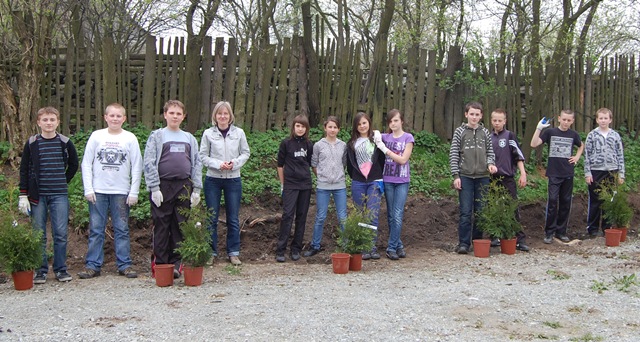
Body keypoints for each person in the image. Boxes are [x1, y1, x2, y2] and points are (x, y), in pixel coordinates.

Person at [77, 103, 142, 279]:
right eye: (111, 116)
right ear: (105, 117)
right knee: (96, 229)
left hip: (121, 192)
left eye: (118, 116)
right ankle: (93, 265)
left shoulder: (130, 138)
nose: (115, 119)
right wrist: (88, 189)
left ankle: (124, 264)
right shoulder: (97, 136)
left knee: (121, 229)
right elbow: (86, 163)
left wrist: (134, 191)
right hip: (98, 191)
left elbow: (137, 166)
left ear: (124, 119)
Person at [18, 107, 79, 284]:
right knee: (39, 234)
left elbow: (74, 164)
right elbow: (24, 170)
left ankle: (60, 269)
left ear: (58, 122)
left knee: (60, 233)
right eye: (45, 120)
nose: (49, 123)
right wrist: (23, 194)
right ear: (38, 122)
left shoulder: (65, 142)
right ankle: (40, 270)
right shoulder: (32, 143)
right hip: (38, 196)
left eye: (52, 119)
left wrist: (63, 180)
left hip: (59, 194)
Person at [144, 100, 203, 278]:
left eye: (178, 114)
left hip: (184, 185)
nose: (175, 116)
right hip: (162, 186)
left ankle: (177, 263)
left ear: (183, 116)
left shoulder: (189, 138)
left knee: (180, 225)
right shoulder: (157, 136)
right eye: (172, 113)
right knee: (162, 224)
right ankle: (161, 264)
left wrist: (197, 189)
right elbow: (149, 161)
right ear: (165, 115)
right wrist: (154, 187)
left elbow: (197, 163)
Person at [199, 101, 250, 265]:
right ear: (215, 116)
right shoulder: (208, 133)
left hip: (233, 179)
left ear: (230, 116)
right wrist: (217, 164)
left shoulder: (239, 133)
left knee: (233, 218)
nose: (223, 116)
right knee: (212, 217)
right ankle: (211, 252)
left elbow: (245, 153)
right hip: (213, 179)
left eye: (225, 113)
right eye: (219, 113)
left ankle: (233, 252)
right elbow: (202, 156)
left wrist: (234, 163)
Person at [449, 102, 497, 254]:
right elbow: (454, 154)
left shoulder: (485, 133)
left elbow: (490, 152)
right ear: (466, 114)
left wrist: (490, 164)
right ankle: (463, 243)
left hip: (483, 177)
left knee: (481, 211)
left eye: (477, 114)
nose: (474, 117)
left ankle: (477, 241)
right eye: (472, 114)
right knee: (465, 211)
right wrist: (456, 175)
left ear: (481, 116)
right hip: (465, 176)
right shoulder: (459, 132)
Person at [530, 109, 584, 244]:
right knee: (553, 201)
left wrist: (577, 156)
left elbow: (581, 145)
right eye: (564, 119)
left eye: (569, 120)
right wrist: (538, 128)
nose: (566, 122)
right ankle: (549, 232)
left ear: (572, 121)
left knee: (566, 202)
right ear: (559, 118)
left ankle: (561, 232)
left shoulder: (573, 135)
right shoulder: (550, 132)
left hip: (568, 173)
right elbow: (533, 144)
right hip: (554, 173)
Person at [304, 116, 347, 257]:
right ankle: (315, 245)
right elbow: (314, 164)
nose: (332, 130)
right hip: (323, 186)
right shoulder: (318, 145)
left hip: (340, 185)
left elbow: (344, 163)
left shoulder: (343, 145)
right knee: (321, 216)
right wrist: (322, 177)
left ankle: (346, 245)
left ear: (339, 129)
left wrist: (338, 176)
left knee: (342, 217)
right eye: (330, 127)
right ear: (325, 128)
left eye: (335, 127)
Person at [373, 109, 414, 260]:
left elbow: (403, 160)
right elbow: (372, 134)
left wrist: (385, 149)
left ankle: (391, 247)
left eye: (396, 120)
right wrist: (377, 135)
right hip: (388, 180)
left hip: (402, 181)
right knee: (391, 215)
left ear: (402, 121)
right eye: (390, 121)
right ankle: (398, 245)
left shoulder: (408, 138)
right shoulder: (386, 137)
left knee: (397, 214)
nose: (393, 124)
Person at [346, 112, 385, 260]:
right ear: (356, 127)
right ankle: (362, 247)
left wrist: (376, 175)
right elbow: (350, 166)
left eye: (364, 123)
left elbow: (382, 159)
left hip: (375, 181)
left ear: (369, 123)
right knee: (360, 213)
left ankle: (371, 247)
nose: (362, 126)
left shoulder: (376, 140)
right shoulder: (351, 144)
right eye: (359, 124)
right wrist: (357, 176)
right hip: (358, 182)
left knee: (372, 214)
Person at [489, 108, 530, 251]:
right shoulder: (487, 137)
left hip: (507, 178)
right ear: (491, 120)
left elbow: (518, 155)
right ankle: (494, 236)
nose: (497, 123)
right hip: (491, 179)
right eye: (494, 120)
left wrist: (523, 173)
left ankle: (520, 239)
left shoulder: (509, 136)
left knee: (512, 207)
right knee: (492, 207)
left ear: (505, 121)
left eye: (500, 120)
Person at [276, 115, 314, 262]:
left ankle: (296, 249)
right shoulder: (286, 143)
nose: (300, 129)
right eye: (298, 126)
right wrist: (282, 184)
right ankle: (280, 249)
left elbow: (310, 163)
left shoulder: (309, 144)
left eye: (303, 126)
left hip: (305, 184)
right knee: (287, 215)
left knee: (302, 216)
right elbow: (280, 165)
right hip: (290, 185)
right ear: (293, 127)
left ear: (306, 129)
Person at [583, 108, 625, 237]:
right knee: (595, 200)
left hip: (612, 171)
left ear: (610, 120)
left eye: (605, 118)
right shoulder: (592, 135)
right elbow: (587, 155)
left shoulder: (615, 135)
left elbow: (620, 154)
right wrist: (587, 173)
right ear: (596, 120)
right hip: (596, 171)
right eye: (600, 118)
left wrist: (621, 173)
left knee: (609, 200)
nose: (603, 120)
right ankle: (592, 228)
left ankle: (607, 227)